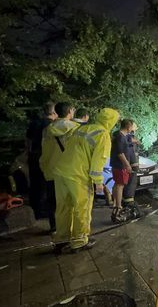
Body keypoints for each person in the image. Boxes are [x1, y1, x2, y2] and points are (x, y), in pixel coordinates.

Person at [53, 108, 120, 253]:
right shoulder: (102, 135)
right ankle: (79, 241)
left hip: (61, 171)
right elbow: (99, 161)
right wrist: (98, 182)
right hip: (78, 175)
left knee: (63, 207)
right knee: (82, 208)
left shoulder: (84, 127)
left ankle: (61, 240)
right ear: (112, 122)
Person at [40, 102, 78, 232]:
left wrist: (44, 167)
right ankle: (69, 231)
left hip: (50, 170)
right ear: (70, 112)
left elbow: (44, 151)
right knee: (69, 203)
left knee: (52, 202)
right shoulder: (75, 128)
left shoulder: (47, 130)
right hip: (68, 171)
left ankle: (54, 227)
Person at [25, 102, 57, 219]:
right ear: (54, 112)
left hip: (33, 156)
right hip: (46, 157)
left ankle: (35, 210)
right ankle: (45, 211)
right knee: (46, 185)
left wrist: (29, 153)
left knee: (34, 184)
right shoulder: (52, 126)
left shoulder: (34, 123)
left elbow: (27, 141)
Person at [110, 119, 135, 223]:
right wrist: (127, 165)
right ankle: (118, 206)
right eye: (132, 126)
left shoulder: (121, 136)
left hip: (117, 165)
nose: (133, 129)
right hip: (120, 166)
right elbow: (120, 153)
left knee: (117, 184)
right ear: (128, 127)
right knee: (120, 185)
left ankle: (116, 204)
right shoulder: (120, 137)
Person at [122, 122, 141, 220]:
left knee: (129, 184)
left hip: (131, 165)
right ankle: (129, 205)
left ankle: (127, 202)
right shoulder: (127, 137)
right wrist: (133, 165)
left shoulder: (128, 136)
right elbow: (130, 152)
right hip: (130, 166)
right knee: (129, 184)